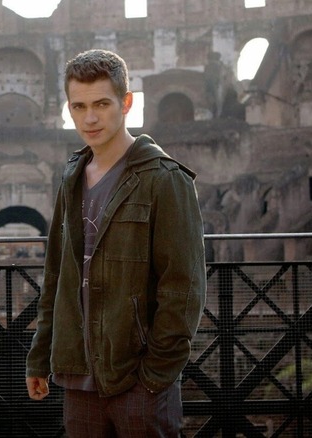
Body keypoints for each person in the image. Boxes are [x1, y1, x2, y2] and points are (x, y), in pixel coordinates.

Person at [25, 49, 206, 437]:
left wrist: (155, 375)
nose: (90, 118)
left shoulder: (165, 179)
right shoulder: (71, 177)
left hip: (138, 380)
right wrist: (40, 357)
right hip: (77, 377)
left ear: (126, 103)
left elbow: (184, 288)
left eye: (102, 104)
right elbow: (56, 275)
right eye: (79, 106)